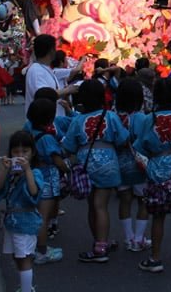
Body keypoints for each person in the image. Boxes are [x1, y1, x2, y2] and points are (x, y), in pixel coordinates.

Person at [133, 78, 171, 273]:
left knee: (158, 215)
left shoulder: (147, 119)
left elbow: (139, 146)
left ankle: (155, 258)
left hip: (157, 167)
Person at [62, 80, 128, 263]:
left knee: (93, 206)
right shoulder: (111, 116)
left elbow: (68, 146)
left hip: (86, 165)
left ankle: (99, 243)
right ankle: (102, 242)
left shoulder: (77, 121)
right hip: (108, 164)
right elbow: (122, 139)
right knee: (101, 206)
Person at [0, 130, 43, 292]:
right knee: (17, 256)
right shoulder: (11, 173)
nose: (20, 155)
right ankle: (25, 286)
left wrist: (27, 171)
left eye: (25, 151)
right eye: (16, 151)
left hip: (26, 222)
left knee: (24, 257)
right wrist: (4, 169)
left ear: (32, 153)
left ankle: (27, 289)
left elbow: (34, 193)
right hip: (12, 223)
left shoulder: (35, 172)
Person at [25, 97, 65, 265]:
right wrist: (68, 168)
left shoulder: (29, 132)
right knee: (43, 216)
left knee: (36, 213)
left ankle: (32, 246)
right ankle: (41, 251)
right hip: (47, 177)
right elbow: (56, 160)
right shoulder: (47, 138)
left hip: (33, 175)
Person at [113, 78, 150, 252]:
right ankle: (139, 238)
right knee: (143, 201)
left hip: (119, 165)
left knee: (124, 201)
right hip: (139, 166)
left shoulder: (113, 117)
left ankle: (128, 238)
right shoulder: (142, 118)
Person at [25, 35, 78, 117]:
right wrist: (67, 90)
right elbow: (42, 94)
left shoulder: (45, 68)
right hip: (42, 123)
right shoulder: (36, 70)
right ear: (51, 51)